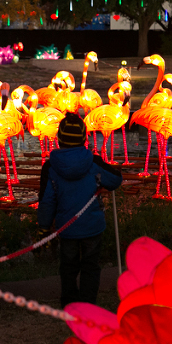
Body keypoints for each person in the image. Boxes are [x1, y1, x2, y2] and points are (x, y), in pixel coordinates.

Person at [38, 113, 123, 307]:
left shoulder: (51, 167)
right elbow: (116, 179)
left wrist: (43, 226)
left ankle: (69, 303)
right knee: (90, 266)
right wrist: (104, 183)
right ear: (85, 139)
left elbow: (47, 200)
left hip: (67, 228)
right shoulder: (94, 163)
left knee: (68, 266)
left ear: (58, 139)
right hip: (92, 225)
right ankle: (88, 304)